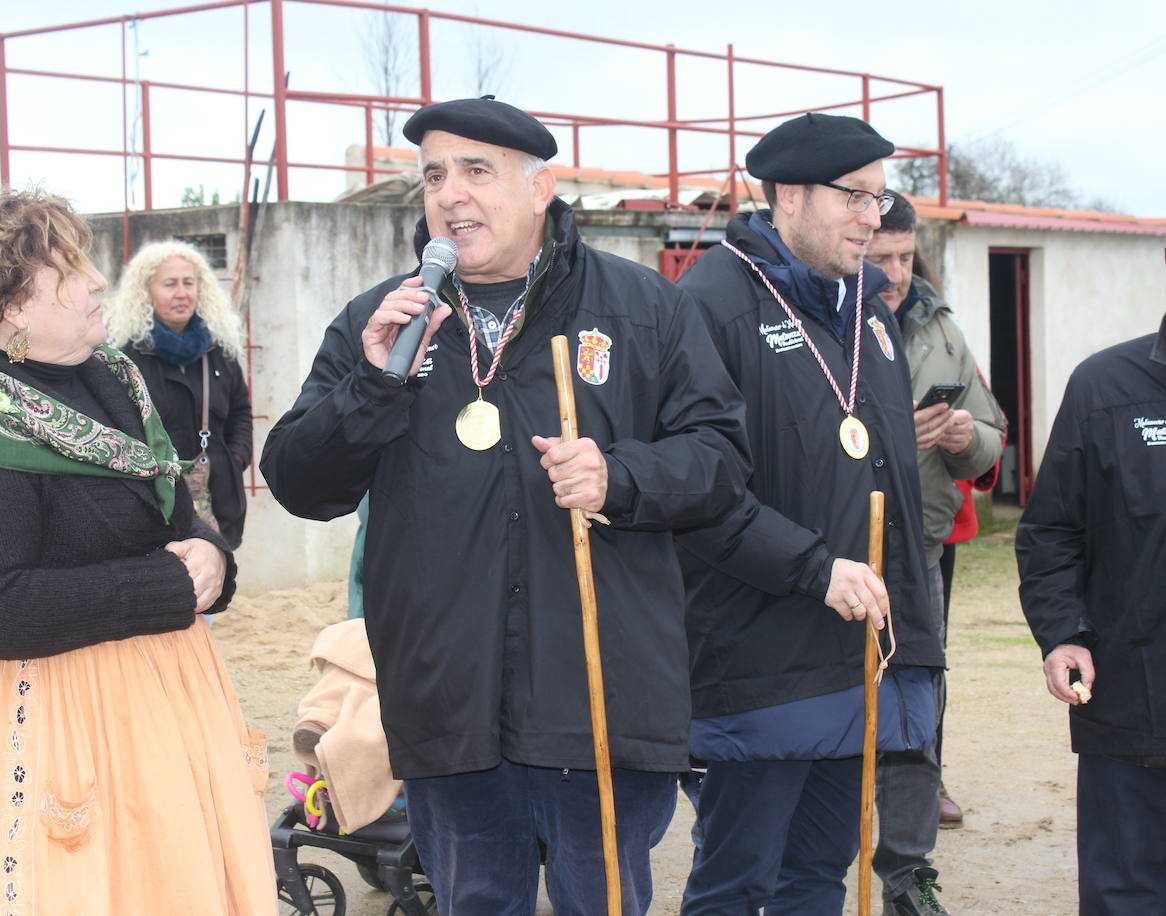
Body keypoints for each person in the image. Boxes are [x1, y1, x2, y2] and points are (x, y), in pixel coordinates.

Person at [260, 96, 751, 915]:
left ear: (540, 188)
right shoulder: (383, 320)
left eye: (477, 171)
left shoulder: (642, 309)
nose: (451, 195)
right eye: (434, 176)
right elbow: (301, 483)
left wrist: (621, 476)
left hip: (601, 696)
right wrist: (373, 383)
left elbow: (724, 463)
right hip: (448, 703)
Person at [0, 190, 275, 915]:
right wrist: (168, 585)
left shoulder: (110, 380)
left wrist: (209, 555)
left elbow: (171, 510)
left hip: (147, 716)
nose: (100, 280)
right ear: (11, 305)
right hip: (25, 735)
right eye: (71, 269)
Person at [674, 113, 946, 915]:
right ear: (788, 194)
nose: (875, 217)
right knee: (736, 882)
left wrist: (913, 641)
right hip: (760, 657)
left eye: (881, 196)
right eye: (855, 198)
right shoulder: (710, 305)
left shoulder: (869, 305)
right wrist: (814, 569)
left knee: (818, 877)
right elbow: (699, 494)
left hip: (861, 650)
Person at [1017, 310, 1166, 915]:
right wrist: (1062, 635)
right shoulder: (1105, 387)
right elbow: (1050, 531)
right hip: (1133, 707)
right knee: (1124, 897)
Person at [867, 191, 1006, 837]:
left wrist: (963, 439)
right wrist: (895, 432)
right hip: (844, 535)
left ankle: (924, 778)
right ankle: (850, 778)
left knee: (924, 665)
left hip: (924, 535)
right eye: (881, 256)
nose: (895, 273)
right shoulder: (825, 321)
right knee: (843, 669)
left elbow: (990, 428)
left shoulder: (942, 327)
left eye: (904, 256)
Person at [106, 239, 253, 547]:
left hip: (217, 498)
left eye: (189, 282)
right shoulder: (127, 355)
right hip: (156, 504)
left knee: (217, 578)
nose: (182, 293)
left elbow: (240, 410)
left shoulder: (219, 350)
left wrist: (235, 457)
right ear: (146, 291)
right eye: (169, 284)